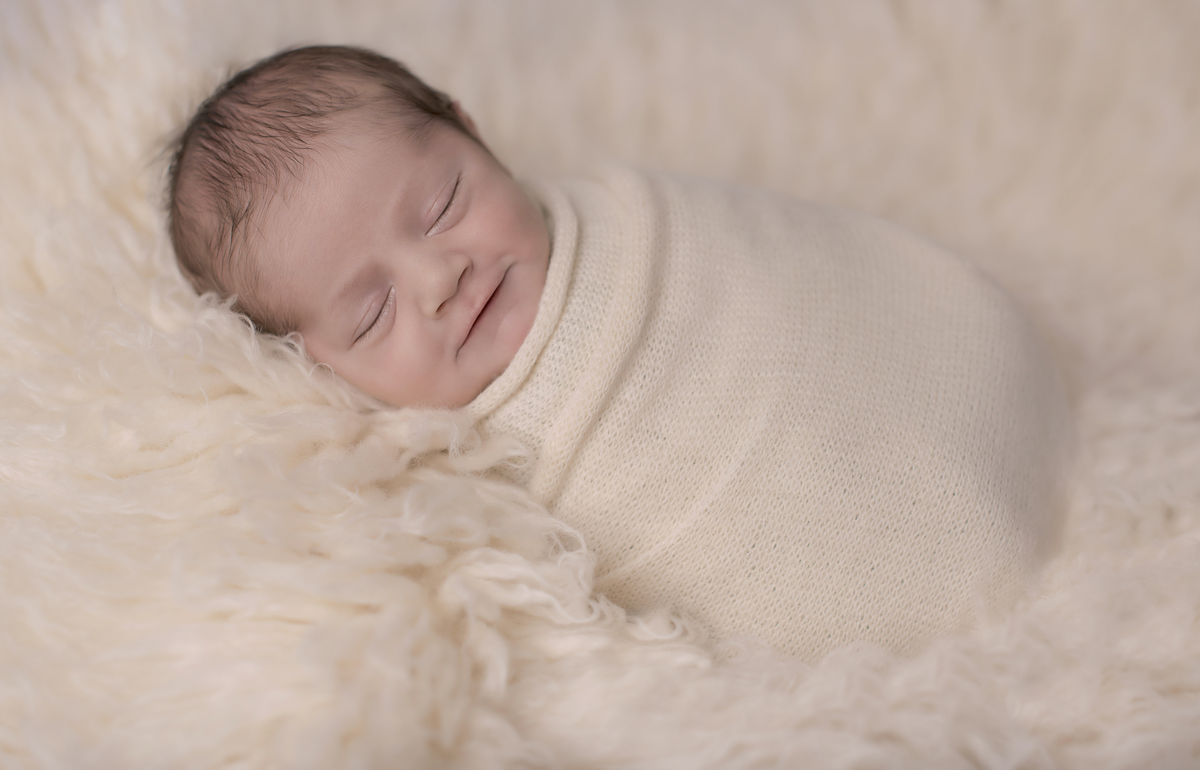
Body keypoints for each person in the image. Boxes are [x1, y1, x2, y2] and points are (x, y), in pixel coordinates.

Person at [167, 45, 1071, 659]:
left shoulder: (631, 220)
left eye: (442, 203)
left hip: (945, 371)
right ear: (313, 368)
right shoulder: (449, 483)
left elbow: (786, 273)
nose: (439, 276)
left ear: (471, 130)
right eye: (371, 313)